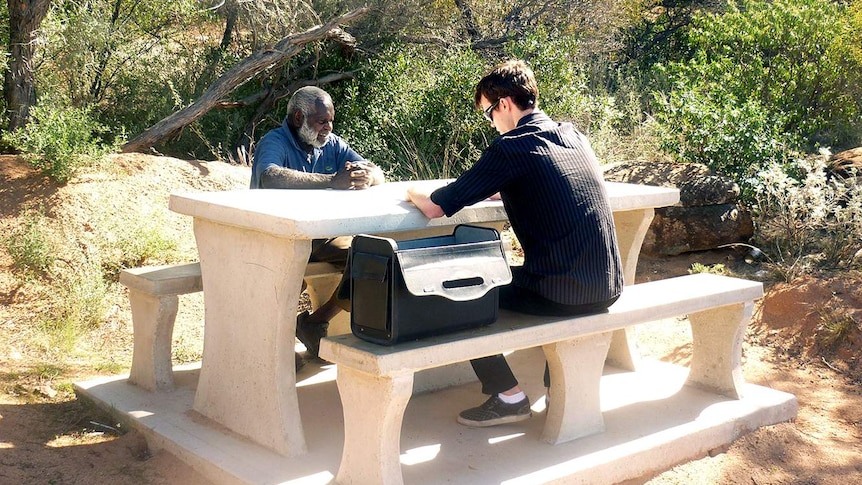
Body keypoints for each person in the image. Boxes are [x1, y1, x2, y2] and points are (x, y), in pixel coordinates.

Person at [406, 60, 623, 427]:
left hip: (564, 292)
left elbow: (434, 206)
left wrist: (410, 191)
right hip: (609, 285)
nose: (491, 122)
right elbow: (544, 179)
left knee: (461, 298)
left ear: (505, 104)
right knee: (520, 282)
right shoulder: (573, 135)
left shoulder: (512, 147)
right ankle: (558, 388)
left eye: (489, 113)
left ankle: (507, 396)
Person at [250, 85, 385, 366]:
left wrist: (367, 178)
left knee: (371, 261)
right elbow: (270, 177)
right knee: (283, 277)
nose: (328, 127)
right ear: (299, 117)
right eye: (322, 121)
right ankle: (275, 341)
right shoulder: (274, 141)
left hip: (321, 236)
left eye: (331, 120)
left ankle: (316, 322)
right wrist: (331, 182)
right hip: (276, 239)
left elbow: (376, 171)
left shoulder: (332, 144)